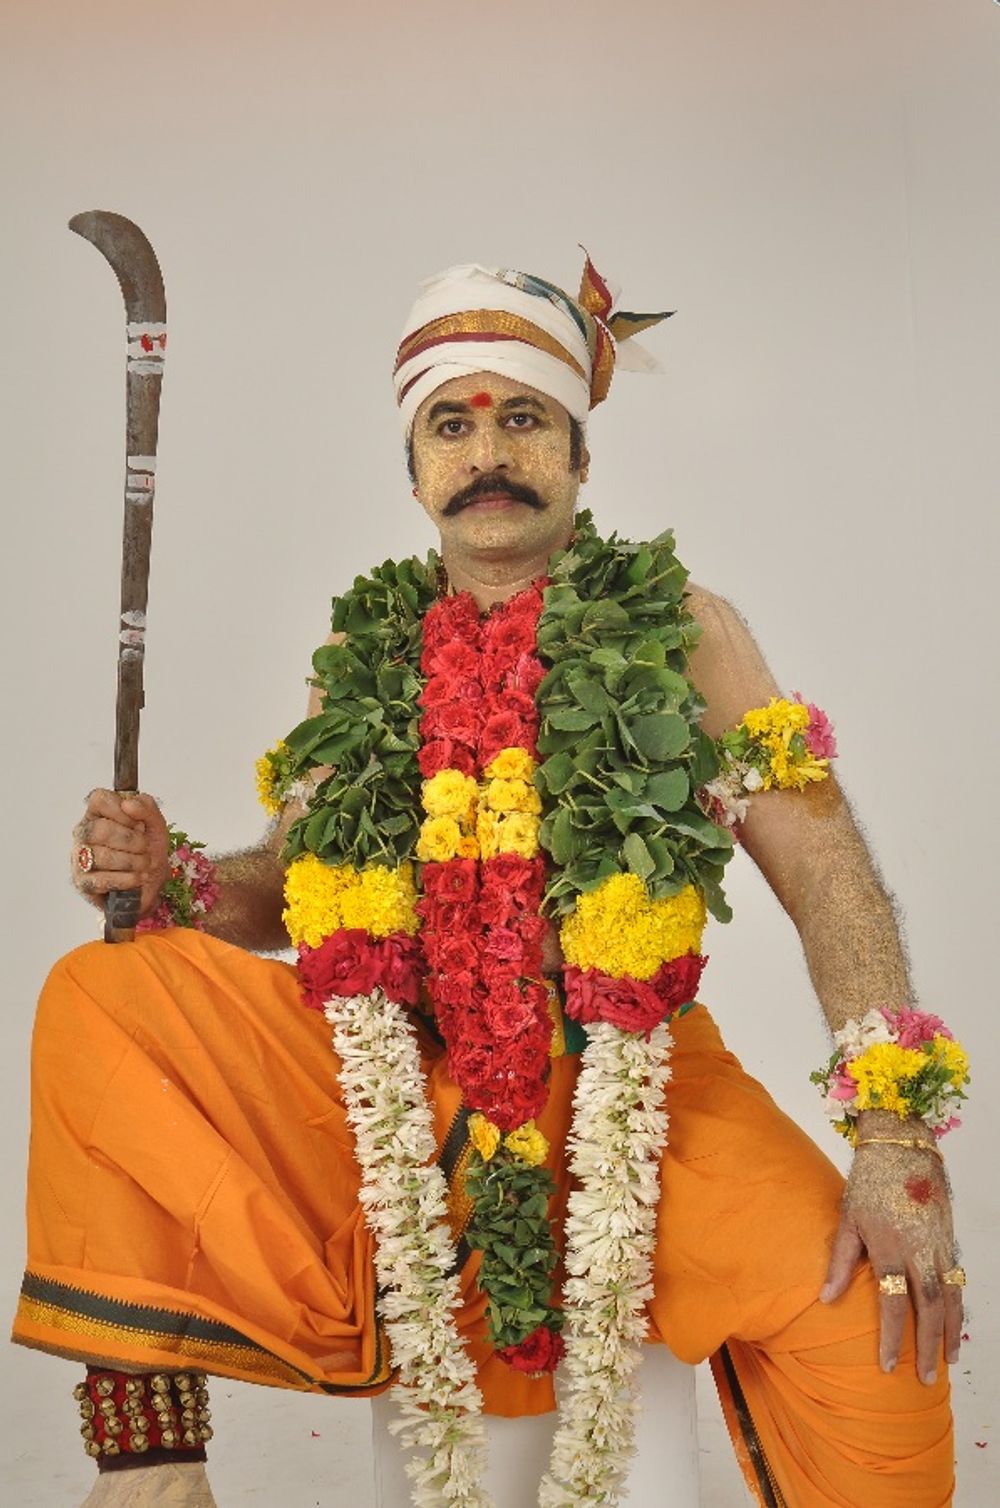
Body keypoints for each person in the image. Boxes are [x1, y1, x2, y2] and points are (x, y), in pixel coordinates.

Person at [13, 258, 965, 1508]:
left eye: (522, 417)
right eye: (450, 427)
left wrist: (893, 1134)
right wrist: (173, 875)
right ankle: (153, 1470)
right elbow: (291, 888)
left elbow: (823, 870)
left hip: (639, 1083)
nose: (488, 454)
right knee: (102, 991)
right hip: (404, 1086)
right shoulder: (360, 651)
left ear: (579, 454)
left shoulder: (686, 629)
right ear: (414, 469)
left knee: (874, 1311)